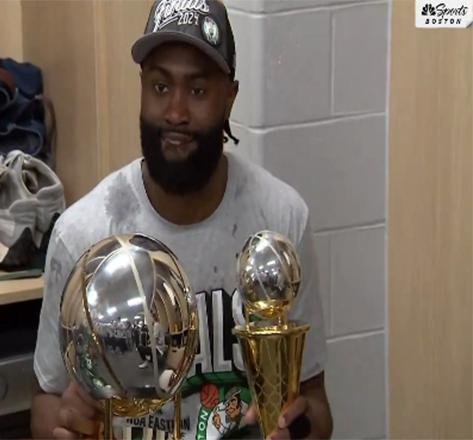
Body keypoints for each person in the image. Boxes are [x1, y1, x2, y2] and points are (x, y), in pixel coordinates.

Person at [30, 0, 333, 439]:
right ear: (141, 87)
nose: (175, 113)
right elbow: (46, 399)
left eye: (197, 90)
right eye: (160, 86)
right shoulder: (82, 235)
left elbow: (315, 403)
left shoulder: (282, 220)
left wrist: (298, 428)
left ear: (229, 97)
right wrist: (64, 425)